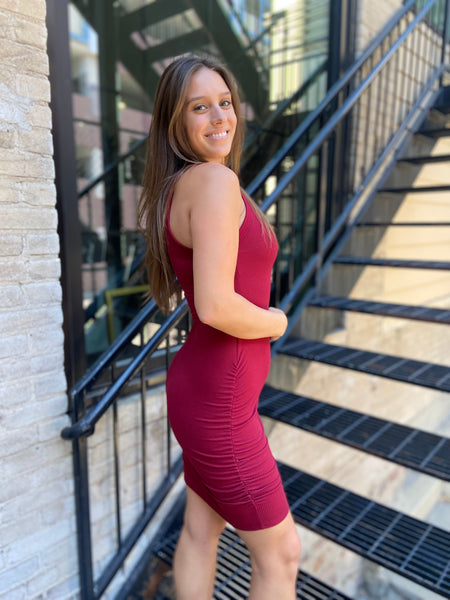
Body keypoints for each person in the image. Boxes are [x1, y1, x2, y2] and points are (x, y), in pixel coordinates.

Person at [138, 55, 301, 600]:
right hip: (221, 404)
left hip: (206, 390)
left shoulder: (186, 183)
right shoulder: (212, 181)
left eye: (224, 102)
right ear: (175, 124)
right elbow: (213, 305)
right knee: (280, 554)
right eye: (197, 107)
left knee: (200, 531)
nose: (218, 117)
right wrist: (276, 322)